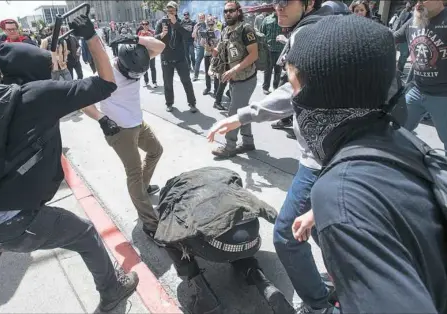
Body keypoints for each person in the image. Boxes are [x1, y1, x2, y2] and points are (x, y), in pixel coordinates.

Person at [0, 14, 139, 314]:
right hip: (12, 222)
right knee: (85, 234)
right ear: (37, 71)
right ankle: (113, 291)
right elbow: (105, 84)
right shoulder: (40, 93)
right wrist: (91, 37)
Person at [287, 14, 447, 313]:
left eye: (293, 86)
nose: (292, 102)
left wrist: (339, 205)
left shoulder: (339, 193)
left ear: (325, 93)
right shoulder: (394, 135)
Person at [208, 1, 339, 313]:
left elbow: (295, 90)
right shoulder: (313, 26)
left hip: (322, 158)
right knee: (322, 229)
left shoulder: (312, 34)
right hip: (328, 154)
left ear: (309, 3)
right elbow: (294, 90)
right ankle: (344, 277)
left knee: (287, 235)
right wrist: (241, 117)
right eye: (275, 1)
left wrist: (242, 115)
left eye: (286, 1)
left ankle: (320, 305)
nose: (278, 6)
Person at [156, 167, 292, 314]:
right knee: (234, 239)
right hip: (251, 237)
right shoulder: (222, 175)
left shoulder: (175, 195)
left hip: (219, 247)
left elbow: (165, 234)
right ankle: (261, 281)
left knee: (174, 242)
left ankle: (204, 297)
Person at [82, 34, 165, 245]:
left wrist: (137, 38)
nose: (133, 76)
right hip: (119, 130)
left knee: (156, 150)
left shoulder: (138, 58)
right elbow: (83, 102)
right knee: (134, 173)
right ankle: (150, 224)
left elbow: (161, 46)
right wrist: (102, 119)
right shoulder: (105, 73)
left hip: (137, 122)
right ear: (121, 62)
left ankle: (143, 189)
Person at [393, 0, 447, 153]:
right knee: (398, 130)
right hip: (417, 90)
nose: (418, 3)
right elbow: (393, 37)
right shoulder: (414, 20)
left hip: (442, 95)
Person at [210, 0, 259, 159]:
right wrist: (211, 49)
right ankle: (248, 142)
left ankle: (229, 146)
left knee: (233, 113)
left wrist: (234, 69)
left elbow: (254, 54)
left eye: (231, 10)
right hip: (233, 78)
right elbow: (221, 50)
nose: (228, 14)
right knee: (243, 111)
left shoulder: (246, 29)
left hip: (245, 78)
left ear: (238, 12)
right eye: (225, 11)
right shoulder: (225, 29)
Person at [155, 1, 197, 113]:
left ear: (176, 11)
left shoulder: (181, 22)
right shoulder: (161, 22)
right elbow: (155, 38)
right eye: (168, 10)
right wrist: (161, 35)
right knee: (167, 83)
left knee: (186, 81)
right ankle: (169, 103)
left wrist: (176, 24)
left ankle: (192, 103)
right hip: (166, 58)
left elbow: (188, 35)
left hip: (180, 58)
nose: (170, 12)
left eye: (172, 10)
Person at [138, 20, 158, 88]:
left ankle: (154, 82)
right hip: (143, 52)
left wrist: (151, 35)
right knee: (144, 67)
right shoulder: (140, 32)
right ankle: (146, 81)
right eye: (143, 24)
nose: (145, 26)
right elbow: (138, 41)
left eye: (146, 24)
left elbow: (156, 40)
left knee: (152, 67)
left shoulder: (152, 32)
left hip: (151, 51)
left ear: (148, 25)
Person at [192, 13, 207, 81]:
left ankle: (209, 75)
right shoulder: (196, 25)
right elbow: (193, 36)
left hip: (207, 44)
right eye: (200, 18)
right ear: (198, 18)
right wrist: (196, 29)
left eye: (202, 18)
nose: (201, 19)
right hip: (199, 45)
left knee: (209, 60)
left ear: (204, 18)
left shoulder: (207, 24)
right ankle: (195, 75)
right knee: (198, 60)